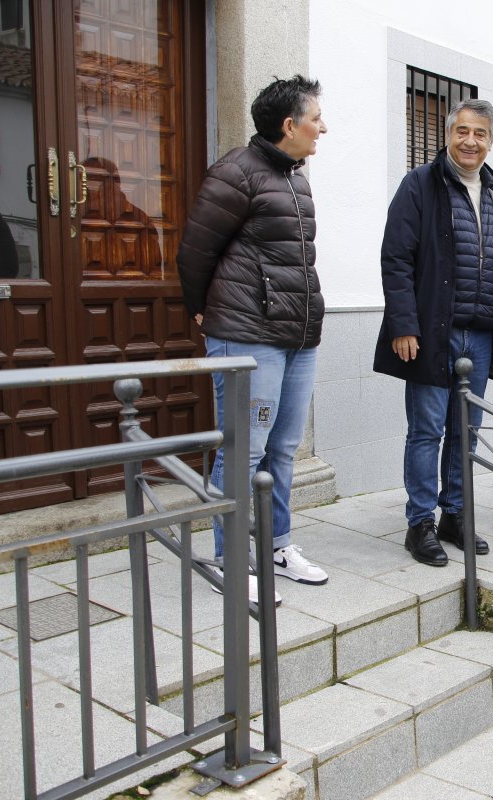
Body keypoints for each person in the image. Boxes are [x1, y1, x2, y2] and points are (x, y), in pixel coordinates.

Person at [177, 75, 331, 601]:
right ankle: (229, 556)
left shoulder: (296, 178)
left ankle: (276, 544)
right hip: (247, 333)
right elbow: (195, 251)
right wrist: (201, 311)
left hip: (297, 334)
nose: (323, 128)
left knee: (283, 448)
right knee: (244, 450)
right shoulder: (235, 172)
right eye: (316, 118)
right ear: (289, 125)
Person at [375, 99, 493, 567]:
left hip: (479, 334)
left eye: (480, 133)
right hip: (431, 330)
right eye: (462, 131)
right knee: (426, 431)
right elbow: (396, 257)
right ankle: (419, 522)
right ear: (447, 134)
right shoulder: (420, 184)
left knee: (467, 431)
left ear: (491, 141)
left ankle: (455, 515)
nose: (470, 141)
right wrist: (404, 323)